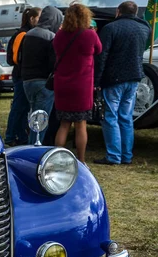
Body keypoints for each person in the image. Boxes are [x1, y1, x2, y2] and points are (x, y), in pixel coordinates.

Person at [94, 1, 150, 165]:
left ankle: (113, 156)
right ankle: (127, 156)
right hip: (134, 77)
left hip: (114, 78)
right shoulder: (145, 28)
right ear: (136, 12)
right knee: (126, 118)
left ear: (118, 11)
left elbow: (102, 56)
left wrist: (97, 80)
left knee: (111, 117)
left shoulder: (111, 28)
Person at [53, 4, 102, 164]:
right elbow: (99, 50)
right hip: (82, 86)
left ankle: (58, 159)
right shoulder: (89, 34)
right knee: (81, 125)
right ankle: (81, 160)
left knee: (64, 124)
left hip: (62, 85)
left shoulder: (59, 35)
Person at [20, 5, 63, 144]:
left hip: (27, 80)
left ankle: (31, 142)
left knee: (33, 115)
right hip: (43, 82)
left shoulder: (29, 34)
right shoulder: (51, 37)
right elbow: (53, 63)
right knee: (41, 119)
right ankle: (35, 146)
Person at [3, 7, 41, 146]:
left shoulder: (27, 33)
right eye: (39, 18)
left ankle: (21, 135)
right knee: (18, 107)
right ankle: (10, 135)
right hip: (21, 75)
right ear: (32, 19)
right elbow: (14, 58)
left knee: (23, 108)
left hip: (23, 74)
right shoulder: (22, 34)